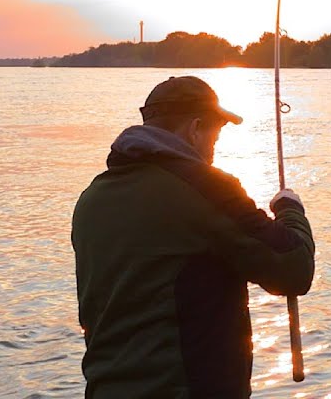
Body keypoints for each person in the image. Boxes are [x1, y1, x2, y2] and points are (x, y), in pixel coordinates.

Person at [72, 75, 315, 398]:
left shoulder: (92, 199)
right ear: (196, 128)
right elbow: (294, 269)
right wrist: (290, 209)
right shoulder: (206, 188)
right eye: (215, 136)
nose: (214, 150)